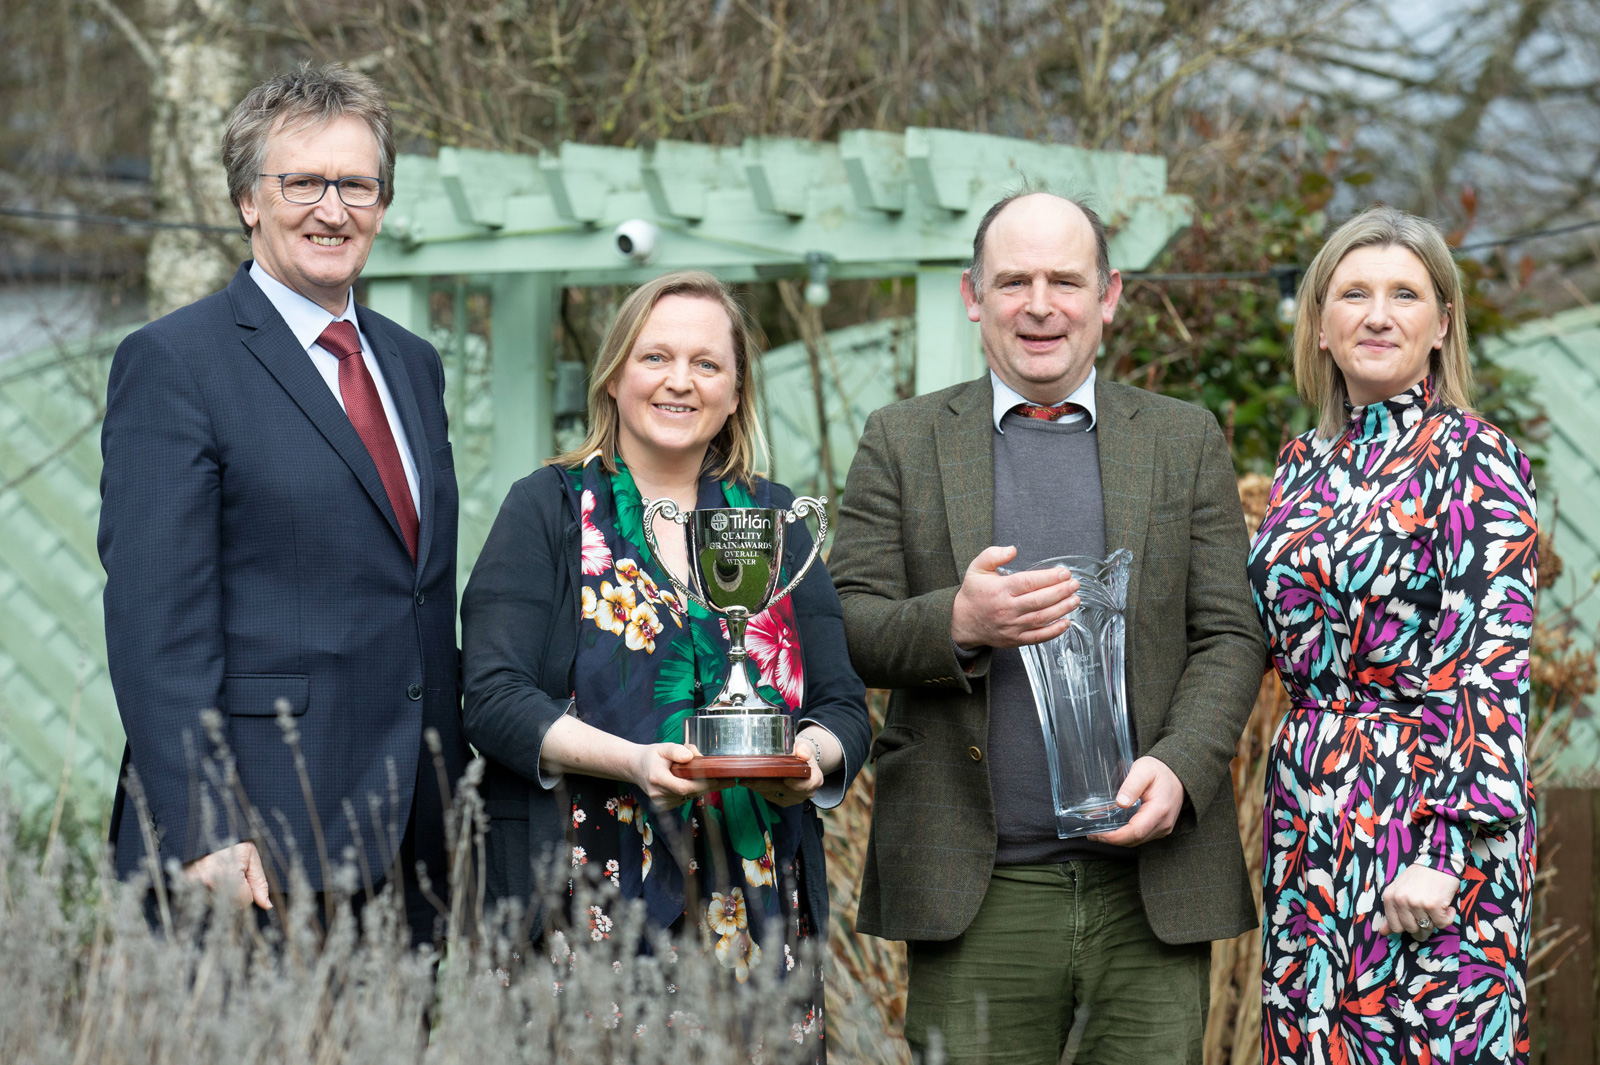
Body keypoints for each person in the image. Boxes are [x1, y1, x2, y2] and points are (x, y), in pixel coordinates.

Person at [827, 190, 1267, 1064]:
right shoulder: (902, 439)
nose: (1039, 305)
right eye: (1014, 280)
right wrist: (956, 620)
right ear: (972, 295)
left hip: (1152, 886)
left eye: (1065, 280)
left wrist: (1181, 769)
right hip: (978, 886)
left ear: (1107, 296)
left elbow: (1230, 633)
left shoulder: (1184, 439)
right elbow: (847, 623)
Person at [98, 65, 468, 944]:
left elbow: (413, 590)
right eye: (302, 181)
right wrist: (203, 825)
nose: (332, 209)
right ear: (246, 200)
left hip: (412, 830)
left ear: (382, 204)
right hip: (253, 841)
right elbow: (155, 618)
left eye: (358, 185)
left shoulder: (412, 365)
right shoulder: (175, 362)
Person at [460, 270, 870, 1050]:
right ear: (615, 374)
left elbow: (843, 708)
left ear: (736, 388)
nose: (680, 381)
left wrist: (808, 764)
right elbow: (493, 697)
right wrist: (634, 760)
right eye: (656, 357)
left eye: (706, 364)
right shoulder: (546, 508)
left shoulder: (776, 517)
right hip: (585, 908)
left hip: (758, 916)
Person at [1249, 206, 1538, 1063]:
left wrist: (1446, 848)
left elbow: (1490, 663)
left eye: (1405, 294)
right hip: (1310, 818)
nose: (1378, 314)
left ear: (1442, 325)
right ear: (1322, 325)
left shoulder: (1474, 457)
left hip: (1428, 823)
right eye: (1354, 293)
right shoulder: (1303, 464)